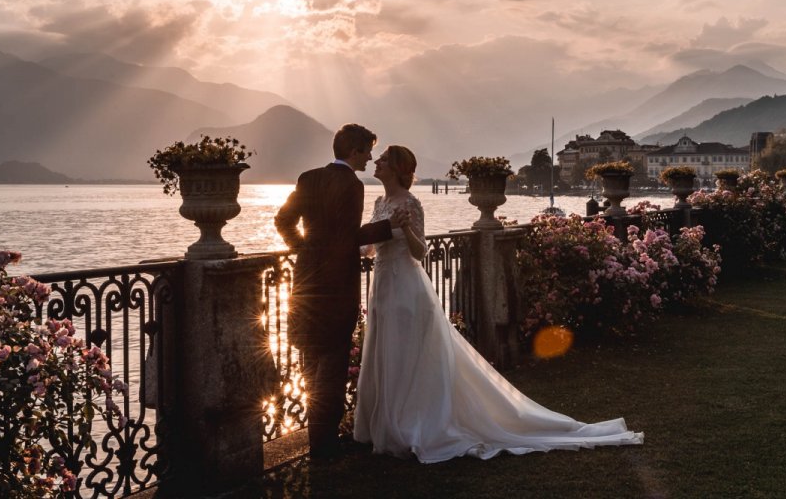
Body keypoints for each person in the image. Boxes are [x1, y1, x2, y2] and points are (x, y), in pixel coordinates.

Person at [354, 145, 644, 463]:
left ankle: (411, 426)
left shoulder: (411, 203)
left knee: (405, 353)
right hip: (382, 285)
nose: (376, 162)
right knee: (386, 351)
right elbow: (367, 248)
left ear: (396, 168)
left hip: (407, 288)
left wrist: (405, 226)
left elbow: (420, 252)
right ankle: (388, 424)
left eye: (382, 159)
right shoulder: (380, 202)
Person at [275, 124, 408, 460]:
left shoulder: (308, 178)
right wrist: (388, 228)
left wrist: (304, 249)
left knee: (310, 359)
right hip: (336, 287)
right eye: (366, 151)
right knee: (331, 365)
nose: (369, 158)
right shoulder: (352, 184)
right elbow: (348, 236)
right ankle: (323, 443)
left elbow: (283, 220)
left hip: (305, 282)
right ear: (354, 151)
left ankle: (316, 436)